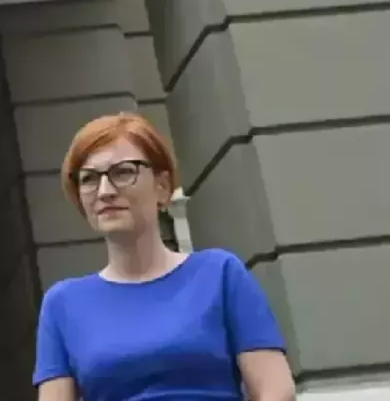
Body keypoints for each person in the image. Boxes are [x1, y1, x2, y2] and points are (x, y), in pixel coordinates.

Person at [34, 113, 296, 401]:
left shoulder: (220, 274)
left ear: (162, 185)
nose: (105, 191)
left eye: (123, 172)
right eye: (89, 179)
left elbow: (276, 390)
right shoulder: (62, 304)